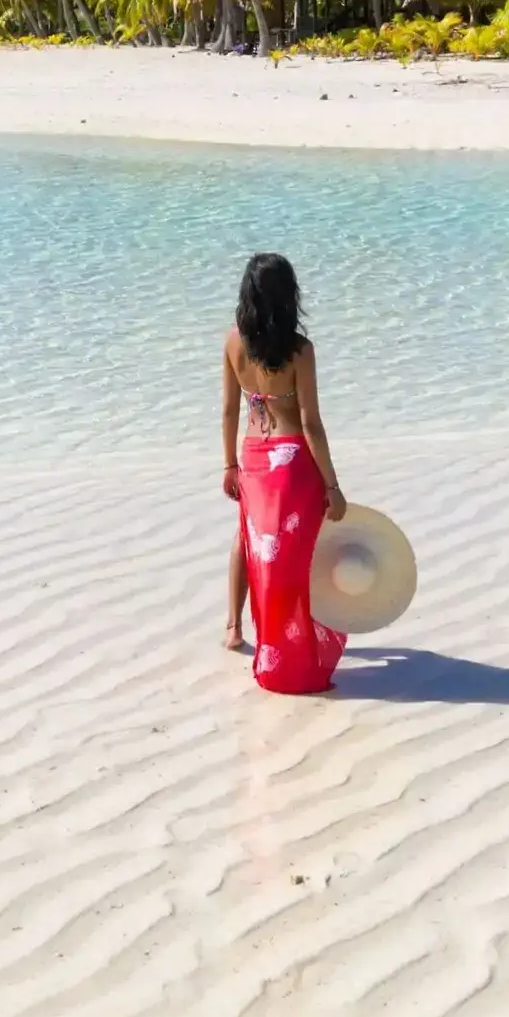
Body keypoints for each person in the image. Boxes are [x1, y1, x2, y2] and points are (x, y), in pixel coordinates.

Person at [222, 252, 350, 692]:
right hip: (292, 461)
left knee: (250, 540)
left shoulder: (233, 343)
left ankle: (235, 628)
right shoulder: (299, 350)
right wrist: (332, 485)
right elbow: (311, 422)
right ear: (288, 296)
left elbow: (227, 411)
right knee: (297, 555)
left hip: (254, 457)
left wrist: (229, 464)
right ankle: (296, 641)